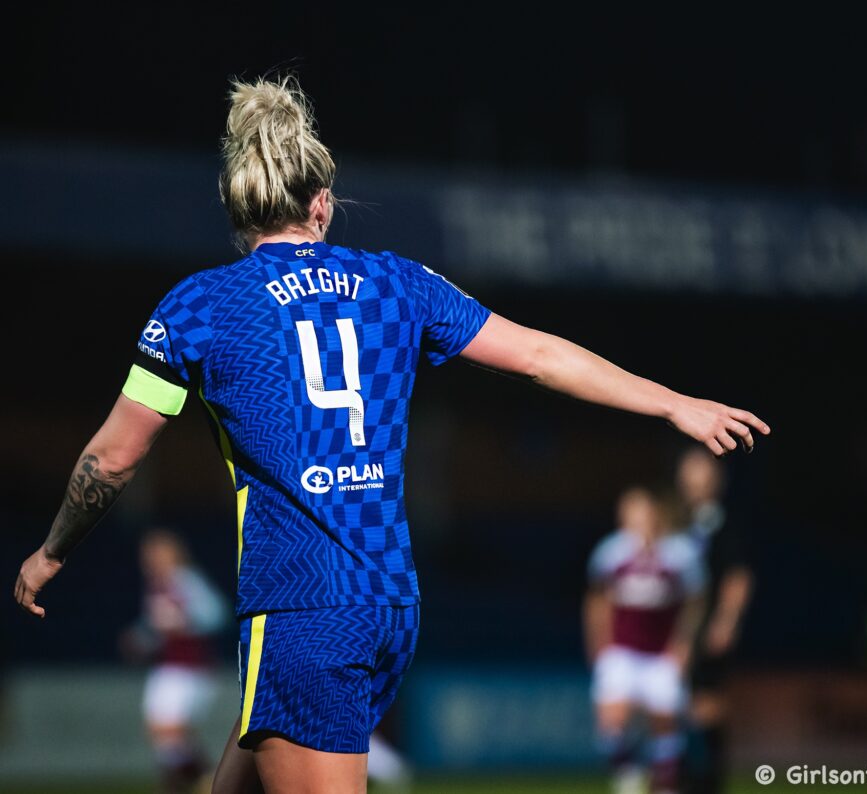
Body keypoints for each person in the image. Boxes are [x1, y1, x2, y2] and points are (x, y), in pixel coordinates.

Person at [13, 75, 770, 794]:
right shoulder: (396, 283)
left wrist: (52, 552)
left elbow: (113, 457)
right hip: (387, 602)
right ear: (323, 204)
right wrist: (672, 402)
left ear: (240, 211)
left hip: (303, 605)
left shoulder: (198, 309)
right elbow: (539, 355)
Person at [584, 487, 706, 794]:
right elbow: (597, 602)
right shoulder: (610, 553)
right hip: (622, 650)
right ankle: (628, 778)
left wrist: (683, 644)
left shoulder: (679, 554)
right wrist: (598, 643)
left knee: (664, 723)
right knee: (611, 721)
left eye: (642, 512)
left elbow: (695, 601)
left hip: (660, 653)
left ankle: (664, 785)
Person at [121, 529, 229, 793]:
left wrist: (182, 622)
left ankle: (209, 781)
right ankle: (184, 783)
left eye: (155, 553)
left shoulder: (186, 580)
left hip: (189, 668)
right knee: (164, 735)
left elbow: (216, 615)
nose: (148, 559)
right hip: (169, 666)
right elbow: (157, 627)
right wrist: (141, 640)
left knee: (168, 732)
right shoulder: (158, 584)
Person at [675, 447, 756, 794]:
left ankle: (707, 781)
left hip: (706, 628)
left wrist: (726, 620)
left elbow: (738, 577)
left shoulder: (722, 521)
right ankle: (678, 779)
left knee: (706, 706)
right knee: (674, 706)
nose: (693, 482)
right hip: (676, 629)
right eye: (688, 474)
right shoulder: (677, 520)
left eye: (700, 474)